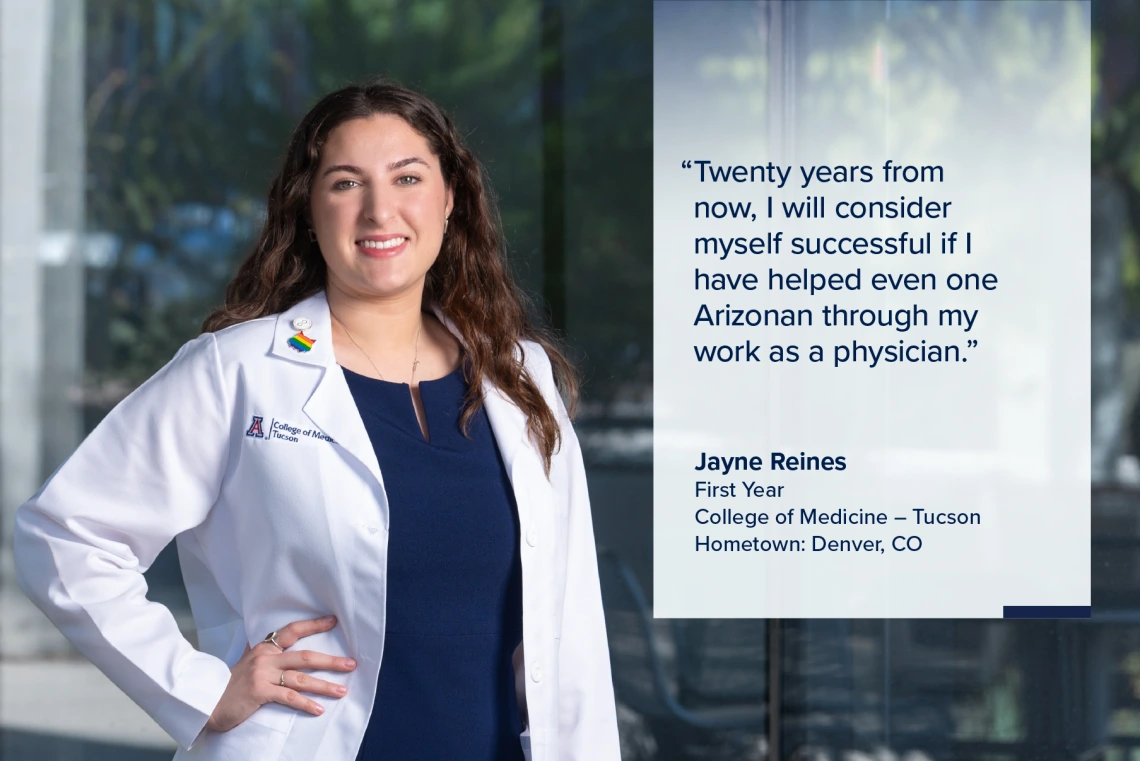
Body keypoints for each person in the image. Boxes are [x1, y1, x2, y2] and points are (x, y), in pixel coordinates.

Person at [12, 78, 620, 761]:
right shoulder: (238, 371)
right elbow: (64, 532)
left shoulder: (519, 376)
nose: (379, 210)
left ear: (451, 199)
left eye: (407, 177)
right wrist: (199, 689)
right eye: (345, 183)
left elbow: (572, 629)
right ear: (309, 207)